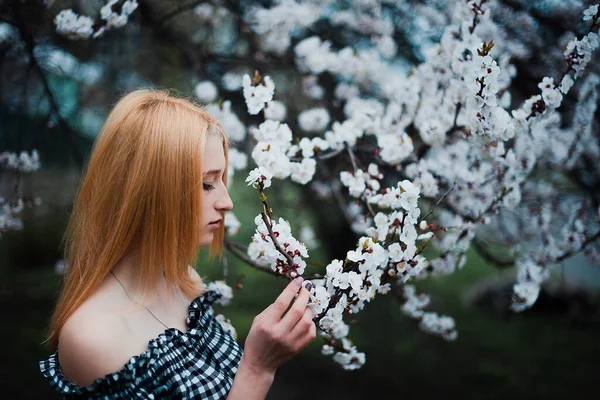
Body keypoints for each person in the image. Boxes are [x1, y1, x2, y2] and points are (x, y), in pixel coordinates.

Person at [39, 89, 316, 399]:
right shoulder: (95, 339)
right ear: (151, 191)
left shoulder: (184, 283)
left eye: (223, 180)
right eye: (206, 183)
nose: (225, 202)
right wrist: (257, 368)